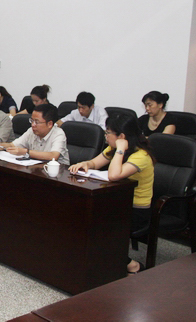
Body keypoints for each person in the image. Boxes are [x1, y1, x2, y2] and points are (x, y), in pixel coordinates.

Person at [68, 113, 154, 274]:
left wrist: (120, 149)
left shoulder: (141, 156)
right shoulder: (113, 149)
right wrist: (85, 164)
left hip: (136, 210)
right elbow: (95, 163)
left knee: (97, 226)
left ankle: (131, 265)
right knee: (81, 217)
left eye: (108, 133)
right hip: (116, 202)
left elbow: (114, 175)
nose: (105, 136)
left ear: (121, 137)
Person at [0, 103, 70, 165]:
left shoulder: (58, 133)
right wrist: (0, 145)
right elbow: (12, 145)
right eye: (32, 120)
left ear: (50, 124)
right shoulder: (32, 131)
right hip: (37, 167)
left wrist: (26, 152)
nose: (33, 125)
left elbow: (53, 156)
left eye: (37, 122)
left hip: (59, 172)